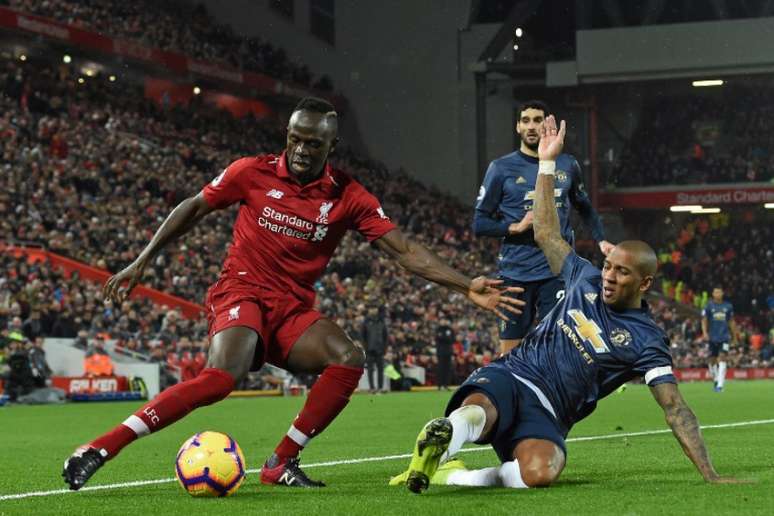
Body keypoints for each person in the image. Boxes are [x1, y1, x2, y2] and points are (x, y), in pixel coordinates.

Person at [62, 97, 524, 491]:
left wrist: (467, 286)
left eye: (314, 143)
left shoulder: (348, 195)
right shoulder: (251, 172)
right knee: (223, 377)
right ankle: (101, 447)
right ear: (287, 135)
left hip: (290, 308)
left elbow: (404, 251)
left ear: (331, 146)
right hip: (241, 289)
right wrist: (143, 260)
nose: (302, 150)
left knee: (348, 357)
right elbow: (194, 207)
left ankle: (280, 461)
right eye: (296, 139)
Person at [391, 115, 742, 493]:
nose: (608, 276)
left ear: (645, 283)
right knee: (479, 411)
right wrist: (546, 163)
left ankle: (452, 472)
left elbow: (675, 408)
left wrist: (710, 473)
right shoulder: (583, 275)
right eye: (608, 266)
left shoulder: (647, 342)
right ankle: (443, 439)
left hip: (550, 413)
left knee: (542, 472)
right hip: (513, 375)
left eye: (621, 273)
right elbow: (545, 231)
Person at [473, 100, 614, 354]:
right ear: (517, 127)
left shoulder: (567, 165)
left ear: (546, 125)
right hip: (516, 273)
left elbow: (584, 206)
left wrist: (601, 239)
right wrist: (515, 227)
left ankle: (558, 393)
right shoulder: (501, 168)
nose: (531, 126)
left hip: (557, 270)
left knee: (560, 346)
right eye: (525, 120)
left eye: (538, 120)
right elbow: (479, 222)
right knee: (509, 353)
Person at [702, 287, 738, 392]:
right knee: (712, 361)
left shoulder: (728, 306)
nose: (717, 294)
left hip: (724, 337)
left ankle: (720, 385)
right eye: (715, 292)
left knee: (722, 358)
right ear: (713, 294)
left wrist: (734, 336)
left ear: (722, 293)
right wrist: (704, 333)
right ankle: (716, 379)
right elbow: (704, 320)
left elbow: (731, 322)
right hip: (712, 337)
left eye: (719, 292)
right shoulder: (708, 306)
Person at [362, 307, 388, 393]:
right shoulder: (366, 322)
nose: (373, 310)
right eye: (372, 308)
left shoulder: (381, 321)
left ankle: (380, 387)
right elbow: (363, 337)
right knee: (370, 369)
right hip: (370, 350)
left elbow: (385, 337)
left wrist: (384, 348)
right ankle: (372, 388)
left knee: (380, 369)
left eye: (375, 308)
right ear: (369, 310)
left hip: (380, 349)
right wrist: (365, 349)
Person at [435, 315, 454, 390]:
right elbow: (439, 338)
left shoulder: (450, 329)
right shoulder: (438, 329)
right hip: (440, 352)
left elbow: (452, 339)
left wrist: (444, 337)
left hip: (449, 352)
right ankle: (439, 385)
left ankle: (446, 385)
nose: (443, 322)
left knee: (448, 369)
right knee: (440, 369)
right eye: (442, 320)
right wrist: (446, 338)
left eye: (445, 320)